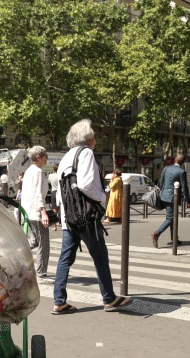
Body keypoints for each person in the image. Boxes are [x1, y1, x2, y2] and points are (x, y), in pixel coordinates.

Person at [53, 119, 132, 314]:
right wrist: (103, 197)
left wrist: (65, 215)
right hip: (86, 216)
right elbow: (85, 184)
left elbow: (60, 191)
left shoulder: (65, 158)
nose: (95, 139)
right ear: (88, 138)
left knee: (65, 258)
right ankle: (109, 298)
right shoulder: (86, 153)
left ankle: (59, 301)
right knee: (100, 256)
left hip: (69, 216)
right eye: (94, 135)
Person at [20, 145, 53, 281]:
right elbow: (37, 194)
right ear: (38, 157)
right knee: (44, 243)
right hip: (35, 211)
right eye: (45, 155)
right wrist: (43, 212)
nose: (47, 158)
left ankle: (17, 256)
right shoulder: (38, 172)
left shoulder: (29, 171)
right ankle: (41, 273)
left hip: (29, 211)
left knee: (33, 241)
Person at [152, 154, 190, 248]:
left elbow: (161, 182)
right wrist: (187, 200)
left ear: (175, 159)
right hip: (173, 198)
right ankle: (157, 233)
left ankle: (174, 239)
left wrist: (162, 192)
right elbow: (185, 187)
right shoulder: (181, 172)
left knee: (172, 217)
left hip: (164, 196)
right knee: (170, 218)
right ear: (182, 162)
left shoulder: (166, 168)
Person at [48, 164, 60, 231]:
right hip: (60, 192)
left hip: (53, 192)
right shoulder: (60, 175)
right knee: (62, 208)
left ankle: (55, 226)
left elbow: (49, 182)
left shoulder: (50, 176)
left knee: (54, 209)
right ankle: (61, 223)